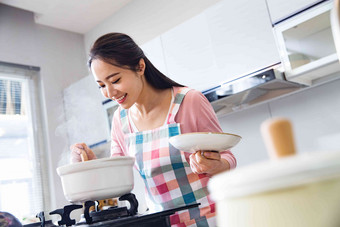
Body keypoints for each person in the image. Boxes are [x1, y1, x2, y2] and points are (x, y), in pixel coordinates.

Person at [70, 32, 236, 227]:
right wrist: (89, 166)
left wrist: (215, 166)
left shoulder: (188, 101)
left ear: (140, 67)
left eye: (115, 80)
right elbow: (117, 179)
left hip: (212, 219)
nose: (109, 92)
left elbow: (227, 157)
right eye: (101, 85)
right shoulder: (120, 120)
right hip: (162, 223)